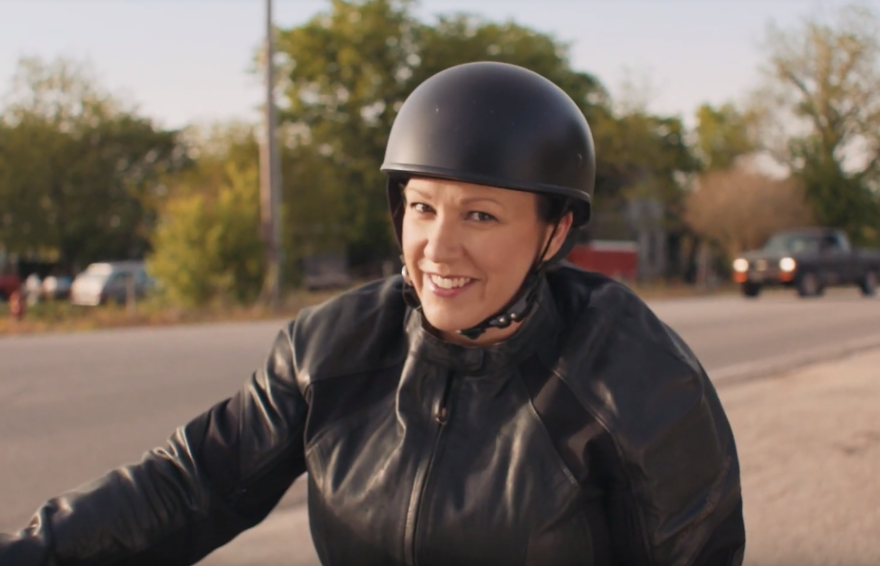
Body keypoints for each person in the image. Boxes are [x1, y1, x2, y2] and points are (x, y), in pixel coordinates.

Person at [0, 62, 745, 566]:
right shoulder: (331, 348)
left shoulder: (636, 378)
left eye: (481, 215)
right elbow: (188, 486)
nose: (438, 248)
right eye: (422, 207)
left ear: (554, 232)